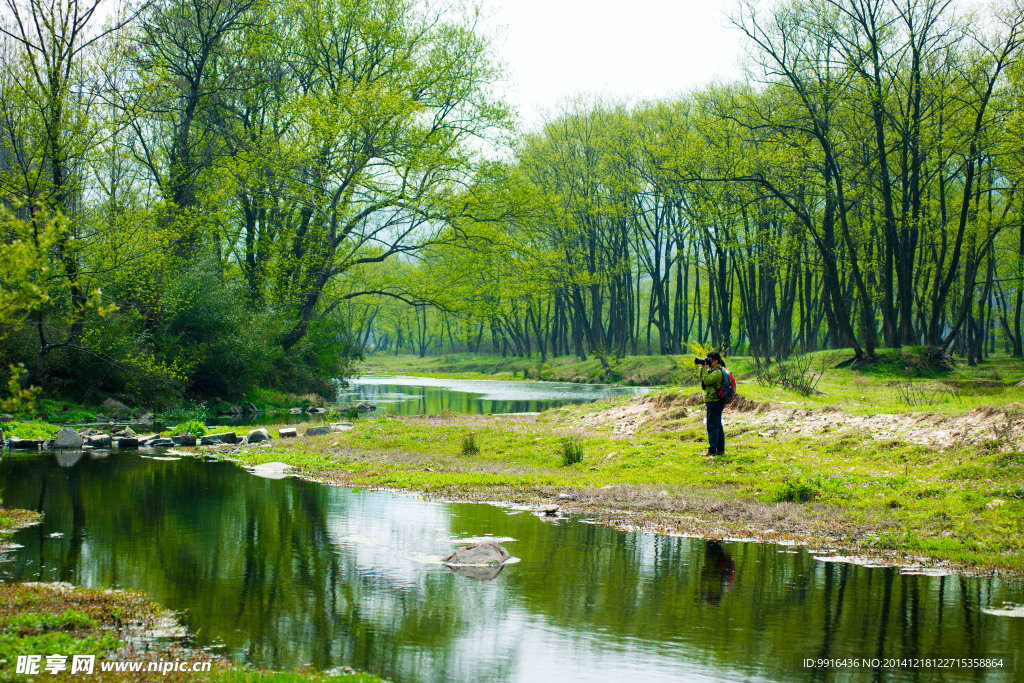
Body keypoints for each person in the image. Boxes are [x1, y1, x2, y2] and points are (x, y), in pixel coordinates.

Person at [700, 351, 726, 456]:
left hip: (714, 401)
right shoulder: (714, 370)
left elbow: (706, 381)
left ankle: (712, 450)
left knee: (712, 426)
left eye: (709, 359)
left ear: (716, 360)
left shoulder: (717, 372)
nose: (708, 361)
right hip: (715, 401)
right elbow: (703, 379)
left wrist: (704, 369)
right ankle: (720, 449)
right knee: (718, 426)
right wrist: (703, 368)